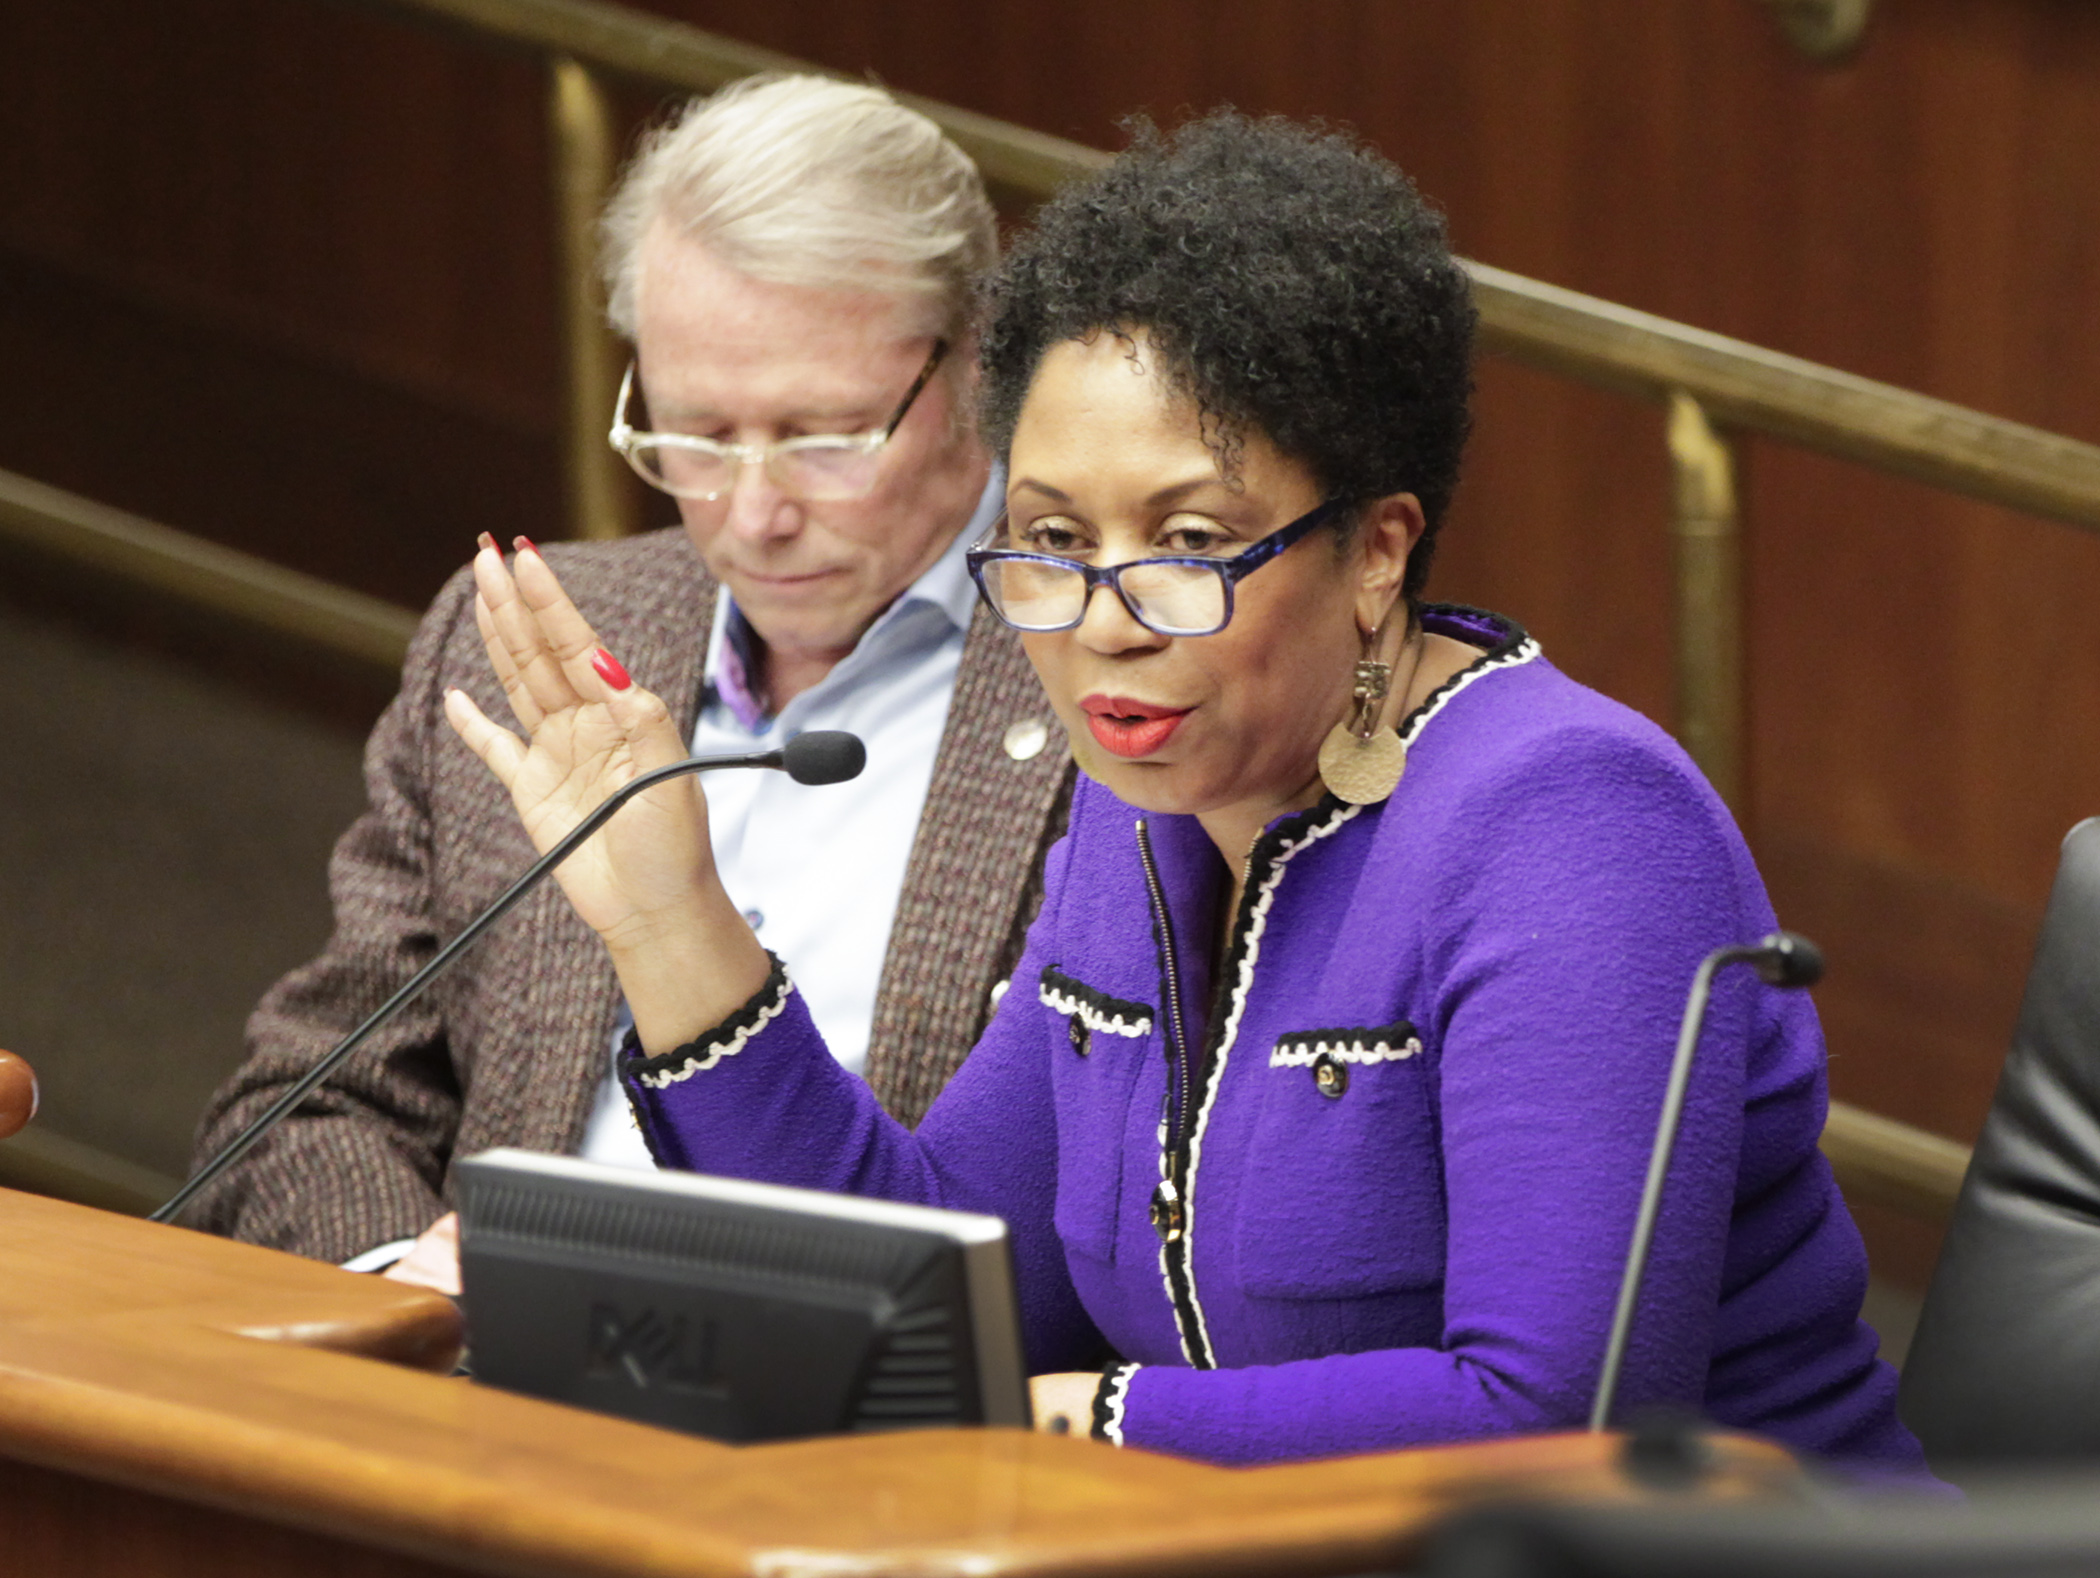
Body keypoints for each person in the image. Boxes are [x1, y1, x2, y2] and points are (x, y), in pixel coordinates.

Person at [442, 112, 1925, 1469]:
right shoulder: (1140, 817)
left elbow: (1553, 1415)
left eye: (1188, 539)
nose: (1104, 618)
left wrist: (1096, 1418)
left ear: (1379, 550)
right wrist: (669, 918)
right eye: (1052, 539)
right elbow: (929, 1279)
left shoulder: (1575, 825)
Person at [186, 75, 1071, 1269]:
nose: (751, 514)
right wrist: (418, 1293)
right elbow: (300, 1103)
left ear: (980, 366)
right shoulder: (529, 640)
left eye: (823, 438)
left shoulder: (1107, 675)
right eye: (695, 434)